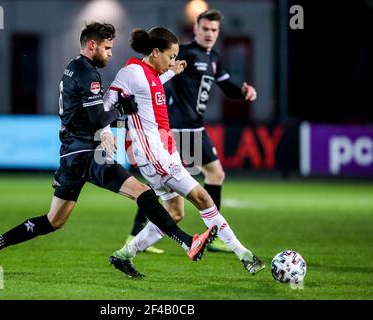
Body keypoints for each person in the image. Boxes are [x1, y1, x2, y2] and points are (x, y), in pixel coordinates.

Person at [0, 22, 218, 279]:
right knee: (142, 192)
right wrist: (123, 108)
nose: (110, 53)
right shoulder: (88, 74)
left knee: (54, 220)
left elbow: (98, 112)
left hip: (70, 154)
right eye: (107, 48)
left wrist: (164, 76)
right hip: (88, 152)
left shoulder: (73, 68)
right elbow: (99, 118)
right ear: (92, 45)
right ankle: (188, 242)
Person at [105, 26, 264, 277]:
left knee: (175, 213)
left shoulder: (150, 74)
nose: (172, 62)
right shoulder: (131, 73)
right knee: (203, 198)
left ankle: (124, 255)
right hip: (155, 156)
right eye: (170, 57)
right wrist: (106, 130)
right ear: (155, 52)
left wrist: (171, 74)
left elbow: (149, 88)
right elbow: (106, 105)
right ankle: (244, 255)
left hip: (165, 151)